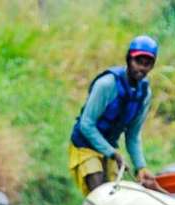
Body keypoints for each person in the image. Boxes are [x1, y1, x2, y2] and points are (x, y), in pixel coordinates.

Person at [69, 35, 161, 196]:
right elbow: (86, 124)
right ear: (128, 59)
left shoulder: (144, 94)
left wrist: (141, 166)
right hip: (84, 145)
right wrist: (112, 152)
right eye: (138, 61)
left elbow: (132, 136)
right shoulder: (106, 84)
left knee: (114, 194)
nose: (142, 68)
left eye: (148, 64)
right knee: (99, 192)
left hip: (110, 147)